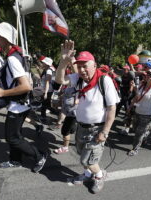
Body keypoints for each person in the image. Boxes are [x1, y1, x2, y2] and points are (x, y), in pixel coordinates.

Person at [55, 40, 119, 193]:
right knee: (81, 154)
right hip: (81, 126)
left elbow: (112, 108)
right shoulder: (78, 79)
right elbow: (59, 80)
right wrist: (64, 61)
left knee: (87, 159)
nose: (82, 70)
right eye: (80, 66)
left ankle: (99, 175)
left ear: (94, 65)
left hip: (96, 129)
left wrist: (105, 131)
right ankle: (87, 174)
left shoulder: (104, 80)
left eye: (85, 66)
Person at [0, 22, 47, 173]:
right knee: (15, 134)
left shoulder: (12, 58)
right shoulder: (21, 54)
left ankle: (39, 155)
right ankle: (15, 160)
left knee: (12, 138)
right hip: (22, 102)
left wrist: (2, 93)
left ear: (5, 37)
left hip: (18, 104)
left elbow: (26, 86)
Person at [127, 68, 151, 156]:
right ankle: (146, 134)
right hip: (137, 112)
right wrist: (130, 106)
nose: (148, 76)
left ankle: (135, 149)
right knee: (135, 129)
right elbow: (137, 97)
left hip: (148, 115)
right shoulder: (142, 85)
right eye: (147, 74)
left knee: (139, 133)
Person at [39, 56, 55, 121]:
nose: (42, 63)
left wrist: (45, 93)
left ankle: (43, 117)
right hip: (46, 90)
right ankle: (56, 112)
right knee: (47, 104)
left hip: (48, 90)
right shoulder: (46, 70)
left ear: (46, 64)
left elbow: (48, 82)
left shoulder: (48, 71)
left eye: (43, 62)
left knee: (44, 104)